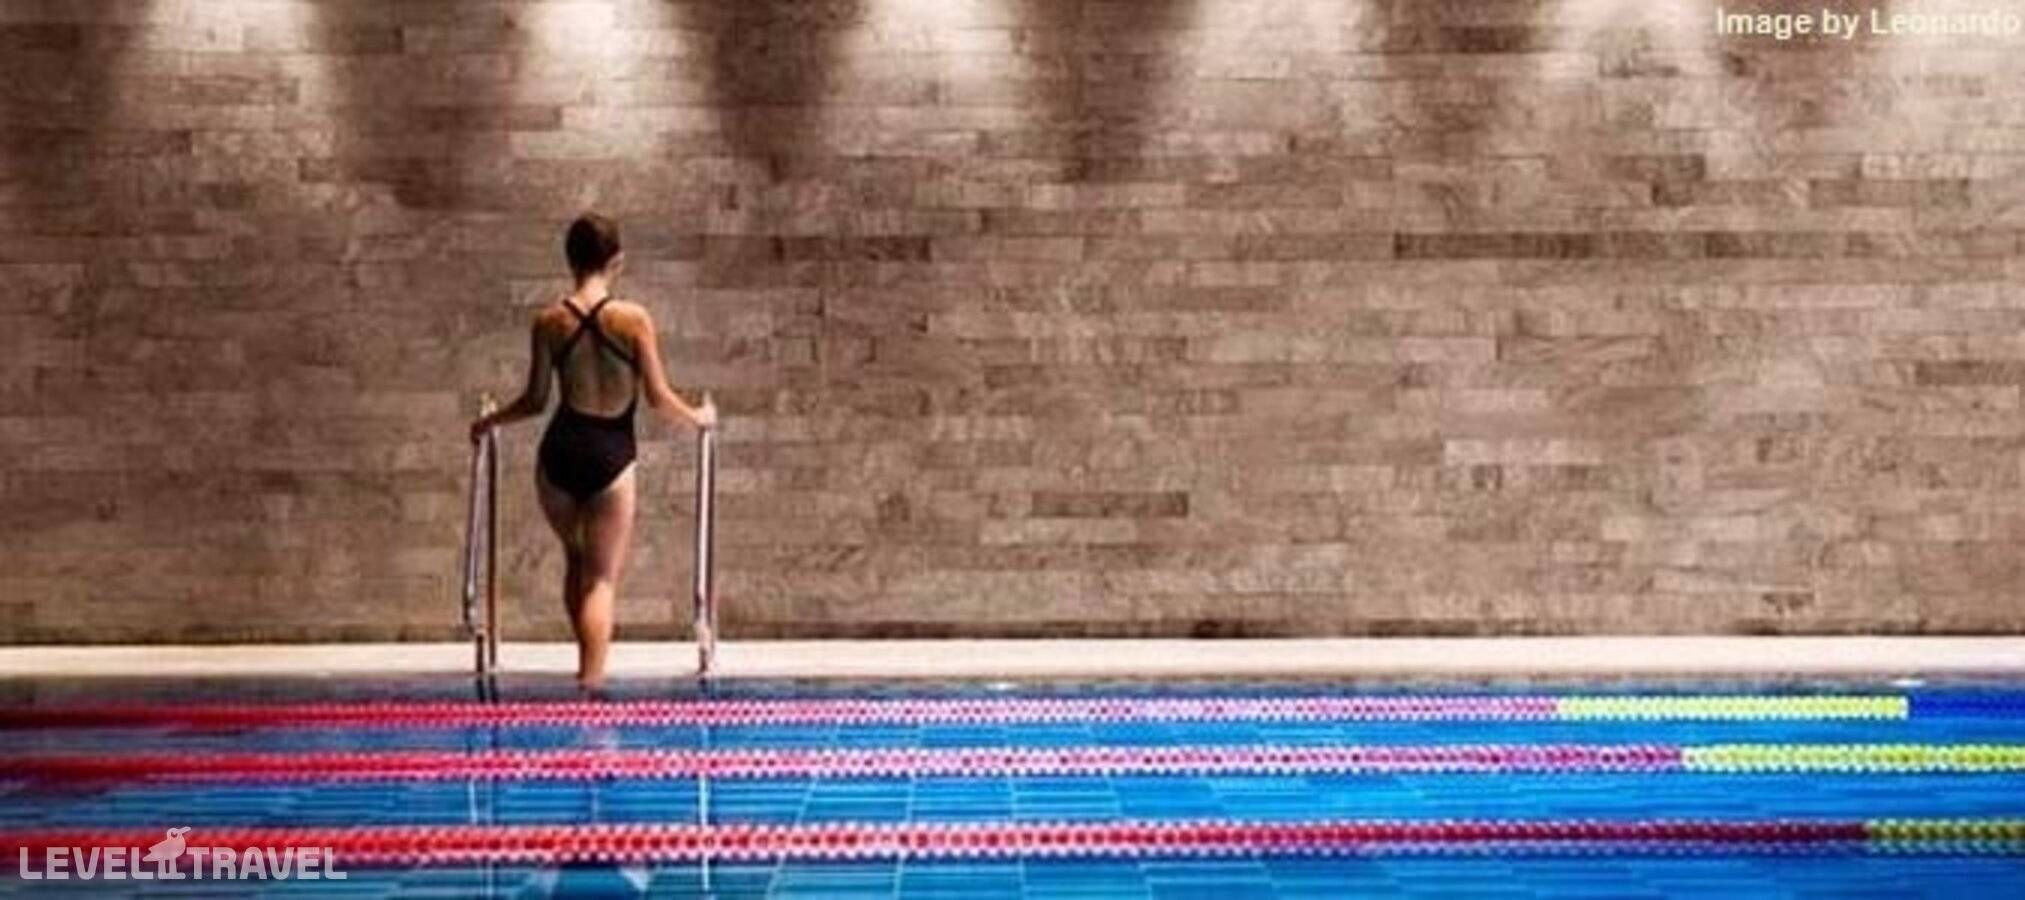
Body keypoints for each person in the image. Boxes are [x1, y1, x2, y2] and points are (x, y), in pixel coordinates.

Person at [470, 213, 716, 688]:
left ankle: (584, 665)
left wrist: (488, 421)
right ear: (617, 261)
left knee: (576, 560)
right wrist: (698, 416)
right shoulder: (633, 320)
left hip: (559, 452)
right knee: (601, 578)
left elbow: (535, 400)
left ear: (570, 260)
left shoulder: (549, 321)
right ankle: (590, 685)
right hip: (610, 452)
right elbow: (658, 397)